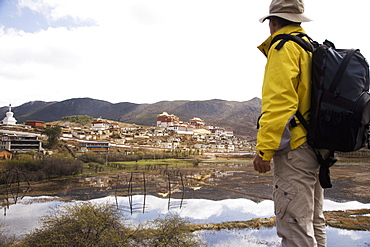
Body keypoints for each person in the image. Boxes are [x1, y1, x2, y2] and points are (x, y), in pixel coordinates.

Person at [253, 0, 329, 246]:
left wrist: (265, 150)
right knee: (313, 221)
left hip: (296, 150)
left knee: (294, 225)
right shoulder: (310, 47)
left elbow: (280, 104)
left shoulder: (284, 47)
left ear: (273, 22)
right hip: (318, 147)